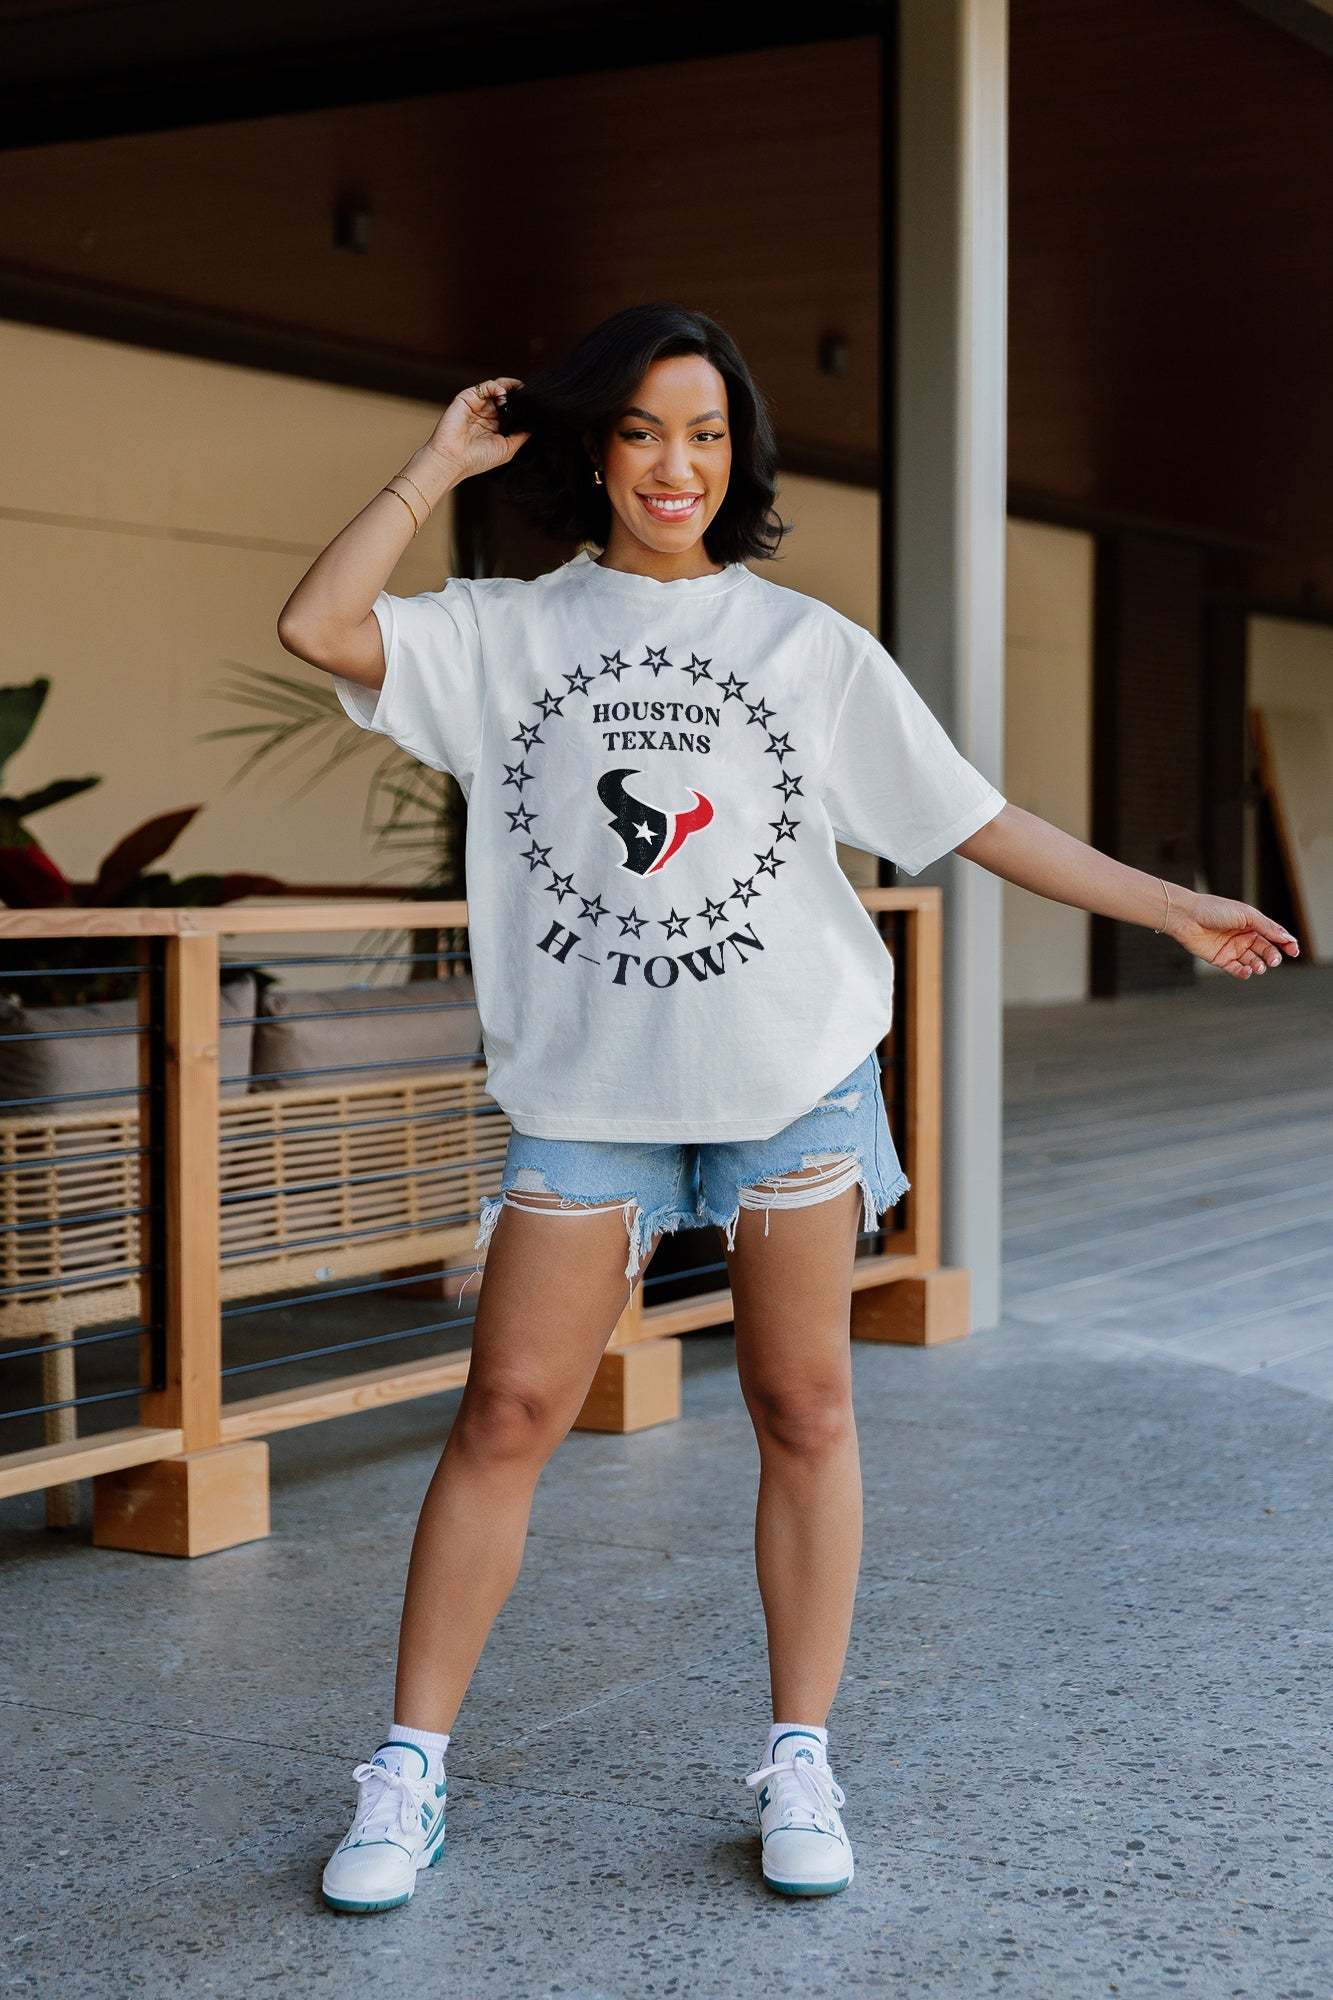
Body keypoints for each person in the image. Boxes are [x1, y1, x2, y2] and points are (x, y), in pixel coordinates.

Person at [277, 302, 1300, 1914]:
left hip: (790, 1086)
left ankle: (800, 1756)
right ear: (592, 451)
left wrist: (1169, 904)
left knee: (804, 1409)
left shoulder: (803, 646)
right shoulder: (502, 635)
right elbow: (320, 625)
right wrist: (435, 464)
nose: (672, 465)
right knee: (508, 1413)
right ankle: (406, 1771)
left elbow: (972, 816)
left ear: (737, 453)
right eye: (638, 431)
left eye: (703, 433)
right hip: (591, 1096)